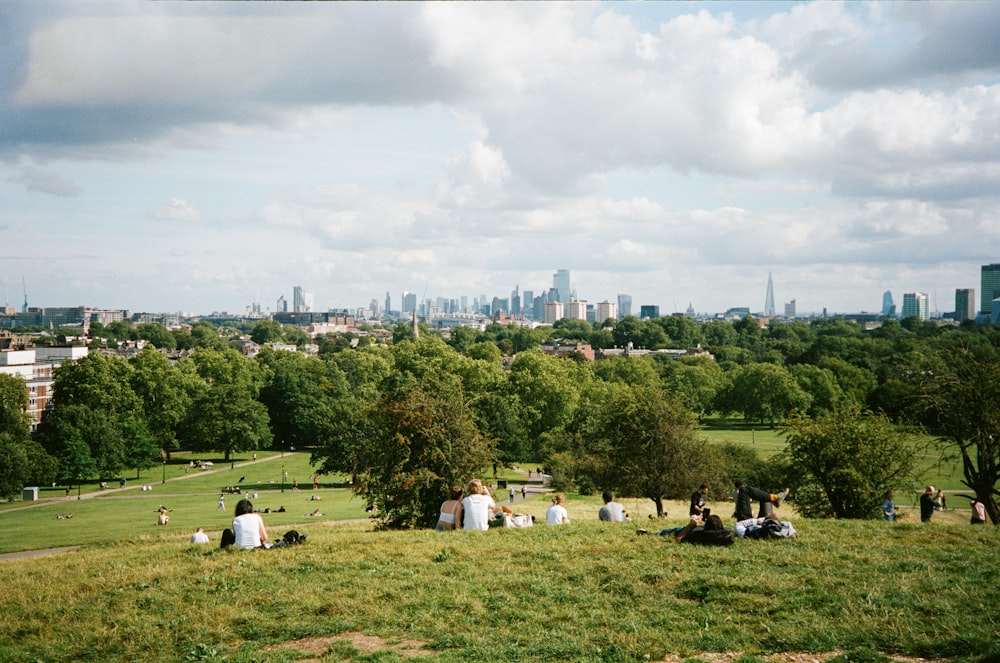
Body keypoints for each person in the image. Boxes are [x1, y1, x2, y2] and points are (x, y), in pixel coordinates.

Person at [639, 514, 735, 546]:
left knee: (665, 532)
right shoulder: (725, 536)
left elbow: (678, 539)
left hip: (683, 531)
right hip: (696, 528)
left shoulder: (698, 535)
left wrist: (690, 526)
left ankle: (649, 534)